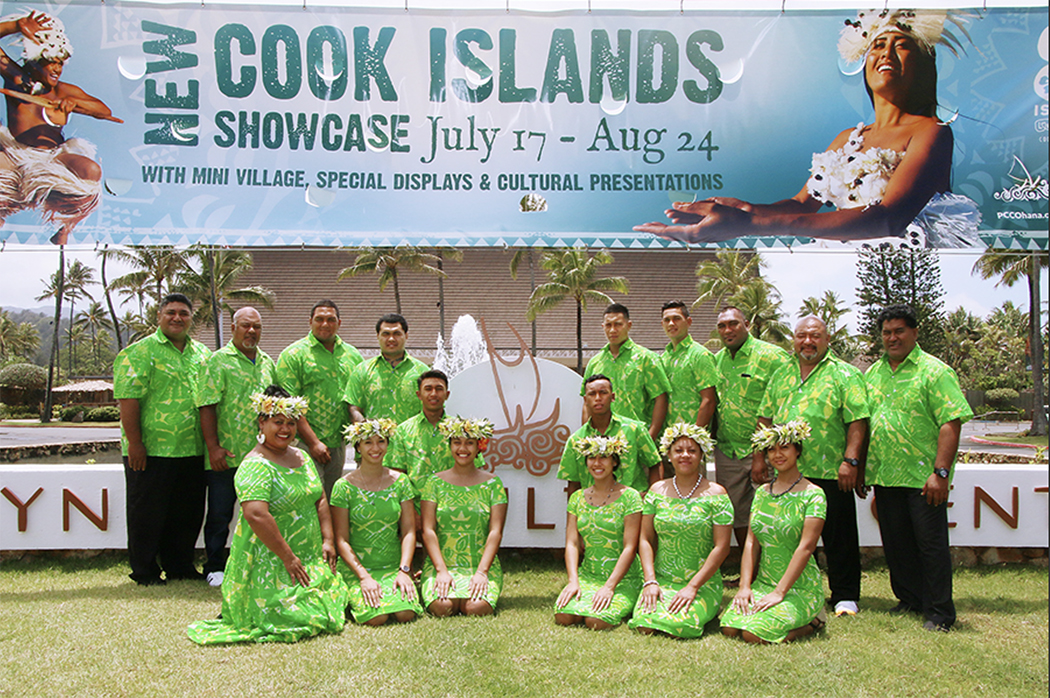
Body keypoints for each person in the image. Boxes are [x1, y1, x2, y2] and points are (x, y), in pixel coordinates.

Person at [634, 10, 979, 249]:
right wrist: (744, 209)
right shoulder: (848, 139)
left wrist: (751, 226)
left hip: (898, 269)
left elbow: (887, 219)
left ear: (922, 64)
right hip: (835, 261)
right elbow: (802, 204)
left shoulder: (931, 132)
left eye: (901, 46)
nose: (886, 53)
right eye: (877, 45)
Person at [187, 386, 348, 644]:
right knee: (303, 619)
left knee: (331, 606)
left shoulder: (302, 457)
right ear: (261, 423)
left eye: (291, 423)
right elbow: (256, 515)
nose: (285, 429)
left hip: (307, 555)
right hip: (273, 559)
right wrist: (288, 558)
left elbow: (318, 497)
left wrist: (328, 540)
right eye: (278, 422)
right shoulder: (255, 465)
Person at [865, 304, 972, 632]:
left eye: (898, 331)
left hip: (923, 478)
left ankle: (940, 611)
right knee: (896, 544)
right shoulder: (874, 373)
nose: (892, 338)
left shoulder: (934, 371)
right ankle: (910, 598)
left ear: (914, 332)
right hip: (886, 475)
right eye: (886, 332)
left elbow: (950, 423)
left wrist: (940, 472)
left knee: (931, 545)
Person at [758, 315, 869, 618]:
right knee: (791, 536)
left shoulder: (844, 374)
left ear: (827, 339)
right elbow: (765, 418)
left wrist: (851, 461)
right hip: (789, 472)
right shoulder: (781, 374)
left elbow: (857, 420)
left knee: (839, 534)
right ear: (793, 340)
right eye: (801, 336)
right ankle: (792, 588)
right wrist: (762, 455)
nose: (808, 342)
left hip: (831, 471)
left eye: (815, 336)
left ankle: (845, 595)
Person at [113, 293, 211, 586]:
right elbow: (128, 400)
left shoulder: (203, 355)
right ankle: (144, 570)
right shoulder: (138, 352)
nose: (177, 318)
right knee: (146, 513)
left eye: (183, 313)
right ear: (159, 316)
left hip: (192, 448)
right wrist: (136, 443)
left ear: (191, 318)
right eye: (171, 312)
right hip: (151, 449)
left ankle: (180, 565)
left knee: (187, 513)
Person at [0, 10, 115, 244]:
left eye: (60, 64)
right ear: (34, 61)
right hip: (15, 153)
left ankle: (66, 226)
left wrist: (75, 103)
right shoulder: (16, 79)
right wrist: (15, 26)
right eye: (50, 63)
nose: (56, 69)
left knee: (91, 172)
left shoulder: (63, 90)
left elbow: (105, 111)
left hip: (53, 158)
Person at [721, 421, 826, 644]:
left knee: (753, 633)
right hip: (764, 583)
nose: (777, 454)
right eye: (771, 449)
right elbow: (751, 542)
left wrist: (779, 592)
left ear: (797, 451)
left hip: (799, 587)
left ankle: (814, 621)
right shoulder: (762, 493)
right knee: (730, 627)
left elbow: (806, 547)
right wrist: (744, 587)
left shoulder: (814, 495)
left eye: (784, 447)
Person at [195, 307, 276, 587]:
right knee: (219, 514)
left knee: (260, 514)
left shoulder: (267, 362)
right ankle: (215, 565)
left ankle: (257, 565)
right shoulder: (218, 361)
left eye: (256, 327)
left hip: (262, 459)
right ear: (233, 328)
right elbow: (207, 405)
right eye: (245, 326)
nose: (251, 331)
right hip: (226, 457)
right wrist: (213, 447)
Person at [629, 423, 733, 637]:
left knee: (680, 627)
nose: (685, 455)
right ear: (668, 454)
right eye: (678, 450)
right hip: (662, 580)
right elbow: (645, 539)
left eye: (692, 450)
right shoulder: (657, 490)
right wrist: (650, 581)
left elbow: (721, 547)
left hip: (701, 583)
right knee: (644, 624)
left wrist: (692, 587)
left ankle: (708, 605)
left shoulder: (717, 494)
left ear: (701, 455)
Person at [330, 418, 422, 626]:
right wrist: (363, 577)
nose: (375, 448)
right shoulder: (343, 487)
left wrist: (404, 570)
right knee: (376, 617)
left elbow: (408, 531)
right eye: (368, 442)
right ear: (358, 447)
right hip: (359, 567)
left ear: (388, 445)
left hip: (393, 565)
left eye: (381, 441)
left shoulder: (401, 482)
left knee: (405, 613)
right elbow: (341, 539)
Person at [712, 306, 791, 546]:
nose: (728, 330)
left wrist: (761, 455)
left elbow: (783, 405)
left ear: (746, 324)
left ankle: (774, 567)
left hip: (765, 452)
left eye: (733, 324)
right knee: (737, 513)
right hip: (728, 452)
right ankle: (751, 569)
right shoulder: (717, 360)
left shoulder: (773, 357)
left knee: (771, 512)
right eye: (722, 326)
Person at [420, 417, 507, 617]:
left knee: (476, 608)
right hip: (442, 563)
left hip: (479, 564)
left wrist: (482, 572)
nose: (463, 449)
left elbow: (495, 532)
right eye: (457, 442)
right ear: (449, 446)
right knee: (443, 607)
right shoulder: (434, 483)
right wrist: (441, 571)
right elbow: (428, 530)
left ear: (479, 447)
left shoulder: (493, 484)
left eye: (469, 443)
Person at [276, 300, 363, 498]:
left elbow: (356, 399)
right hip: (303, 443)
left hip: (338, 444)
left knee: (332, 499)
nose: (325, 324)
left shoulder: (352, 355)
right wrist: (314, 443)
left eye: (331, 320)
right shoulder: (293, 355)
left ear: (339, 322)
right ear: (310, 322)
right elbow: (290, 404)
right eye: (319, 319)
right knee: (310, 498)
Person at [555, 435, 643, 630]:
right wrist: (573, 581)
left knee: (596, 621)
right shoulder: (577, 498)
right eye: (591, 457)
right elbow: (572, 543)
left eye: (603, 457)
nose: (596, 463)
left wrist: (609, 587)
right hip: (588, 576)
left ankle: (625, 596)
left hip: (623, 580)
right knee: (564, 616)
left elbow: (630, 547)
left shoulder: (630, 497)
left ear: (614, 462)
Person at [558, 374, 662, 496]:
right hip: (594, 509)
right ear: (585, 400)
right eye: (592, 394)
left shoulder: (634, 430)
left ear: (612, 397)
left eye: (603, 393)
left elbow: (655, 464)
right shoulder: (577, 440)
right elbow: (574, 484)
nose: (598, 398)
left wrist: (652, 501)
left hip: (633, 509)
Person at [582, 303, 670, 441]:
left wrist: (649, 438)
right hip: (603, 442)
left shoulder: (646, 358)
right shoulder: (595, 363)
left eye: (618, 324)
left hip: (636, 439)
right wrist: (589, 439)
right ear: (603, 327)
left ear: (629, 325)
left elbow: (661, 399)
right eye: (608, 325)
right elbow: (587, 403)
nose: (612, 330)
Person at [386, 369, 483, 490]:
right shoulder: (402, 431)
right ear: (419, 395)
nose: (433, 394)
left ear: (447, 395)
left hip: (452, 504)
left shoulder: (462, 429)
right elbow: (397, 475)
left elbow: (476, 469)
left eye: (439, 389)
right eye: (428, 389)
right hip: (415, 505)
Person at [658, 300, 717, 476]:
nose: (671, 324)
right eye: (667, 320)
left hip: (690, 448)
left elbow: (709, 400)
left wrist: (693, 440)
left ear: (688, 322)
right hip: (668, 443)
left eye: (676, 318)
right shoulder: (663, 358)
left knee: (694, 496)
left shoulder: (700, 355)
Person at [345, 313, 429, 425]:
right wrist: (369, 431)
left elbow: (432, 409)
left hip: (410, 441)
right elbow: (353, 407)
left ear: (406, 335)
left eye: (397, 334)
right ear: (378, 336)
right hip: (376, 441)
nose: (391, 339)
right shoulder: (362, 371)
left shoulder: (422, 372)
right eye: (386, 334)